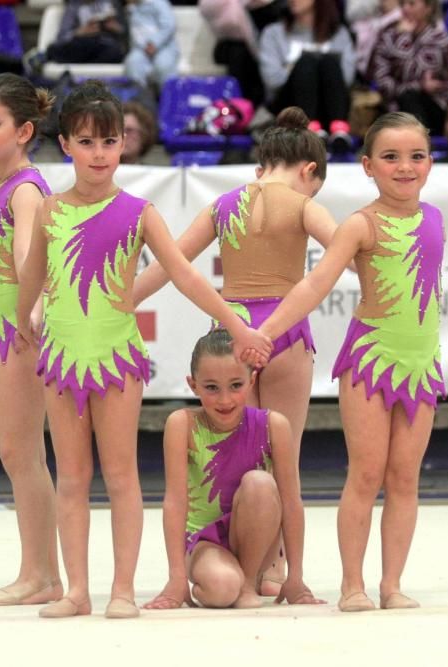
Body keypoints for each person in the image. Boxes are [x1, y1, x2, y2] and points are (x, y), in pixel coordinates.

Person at [13, 80, 272, 619]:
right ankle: (77, 591)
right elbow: (33, 277)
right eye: (87, 142)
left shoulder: (138, 211)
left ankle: (123, 589)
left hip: (115, 360)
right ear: (65, 145)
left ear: (124, 144)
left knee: (123, 474)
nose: (100, 154)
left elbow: (186, 276)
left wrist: (236, 326)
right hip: (61, 361)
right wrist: (23, 321)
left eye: (110, 141)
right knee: (74, 479)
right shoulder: (50, 211)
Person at [133, 106, 338, 592]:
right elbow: (345, 250)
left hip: (232, 332)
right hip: (285, 332)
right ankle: (275, 568)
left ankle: (237, 554)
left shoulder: (225, 205)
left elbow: (171, 261)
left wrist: (124, 299)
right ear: (310, 172)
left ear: (260, 167)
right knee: (283, 457)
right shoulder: (306, 206)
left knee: (238, 455)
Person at [250, 112, 445, 611]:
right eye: (391, 157)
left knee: (405, 477)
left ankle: (392, 584)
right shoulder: (361, 224)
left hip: (421, 364)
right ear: (367, 166)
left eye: (416, 156)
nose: (405, 167)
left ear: (430, 161)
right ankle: (352, 584)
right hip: (370, 363)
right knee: (366, 473)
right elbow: (315, 284)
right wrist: (266, 331)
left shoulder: (435, 219)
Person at [0, 73, 63, 609]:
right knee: (21, 453)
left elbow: (31, 257)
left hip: (19, 333)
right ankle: (40, 571)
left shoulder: (25, 189)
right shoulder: (7, 184)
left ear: (24, 130)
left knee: (21, 453)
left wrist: (30, 313)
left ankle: (40, 575)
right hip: (4, 333)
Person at [142, 329, 323, 610]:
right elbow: (175, 502)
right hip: (204, 544)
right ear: (193, 385)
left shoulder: (274, 425)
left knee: (261, 483)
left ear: (251, 381)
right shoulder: (182, 425)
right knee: (222, 588)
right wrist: (176, 578)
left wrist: (295, 577)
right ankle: (231, 583)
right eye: (212, 388)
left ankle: (248, 582)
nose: (224, 400)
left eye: (235, 385)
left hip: (259, 535)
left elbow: (290, 502)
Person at [259, 0, 356, 145]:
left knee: (329, 62)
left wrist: (291, 67)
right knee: (307, 63)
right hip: (290, 106)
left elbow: (346, 79)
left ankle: (339, 131)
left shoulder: (339, 33)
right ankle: (310, 128)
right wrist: (303, 71)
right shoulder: (273, 33)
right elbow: (272, 80)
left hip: (329, 105)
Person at [369, 0, 448, 136]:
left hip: (433, 107)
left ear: (428, 8)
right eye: (402, 4)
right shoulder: (387, 36)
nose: (405, 9)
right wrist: (419, 85)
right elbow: (382, 82)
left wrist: (404, 39)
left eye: (412, 4)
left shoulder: (440, 40)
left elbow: (420, 72)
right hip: (392, 108)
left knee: (410, 97)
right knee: (404, 100)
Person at [25, 0, 129, 74]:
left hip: (104, 45)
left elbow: (125, 33)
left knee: (114, 51)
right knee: (70, 47)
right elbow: (62, 37)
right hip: (81, 44)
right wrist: (80, 32)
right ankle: (46, 55)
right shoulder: (74, 5)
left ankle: (50, 56)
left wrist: (114, 27)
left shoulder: (112, 2)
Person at [123, 0, 179, 91]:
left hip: (164, 47)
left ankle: (167, 100)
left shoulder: (160, 3)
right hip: (140, 49)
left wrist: (154, 43)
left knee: (163, 66)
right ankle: (139, 100)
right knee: (132, 63)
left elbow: (169, 26)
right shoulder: (131, 8)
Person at [120, 100, 157, 164]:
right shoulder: (98, 172)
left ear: (144, 136)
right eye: (118, 130)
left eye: (129, 130)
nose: (123, 136)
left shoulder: (156, 173)